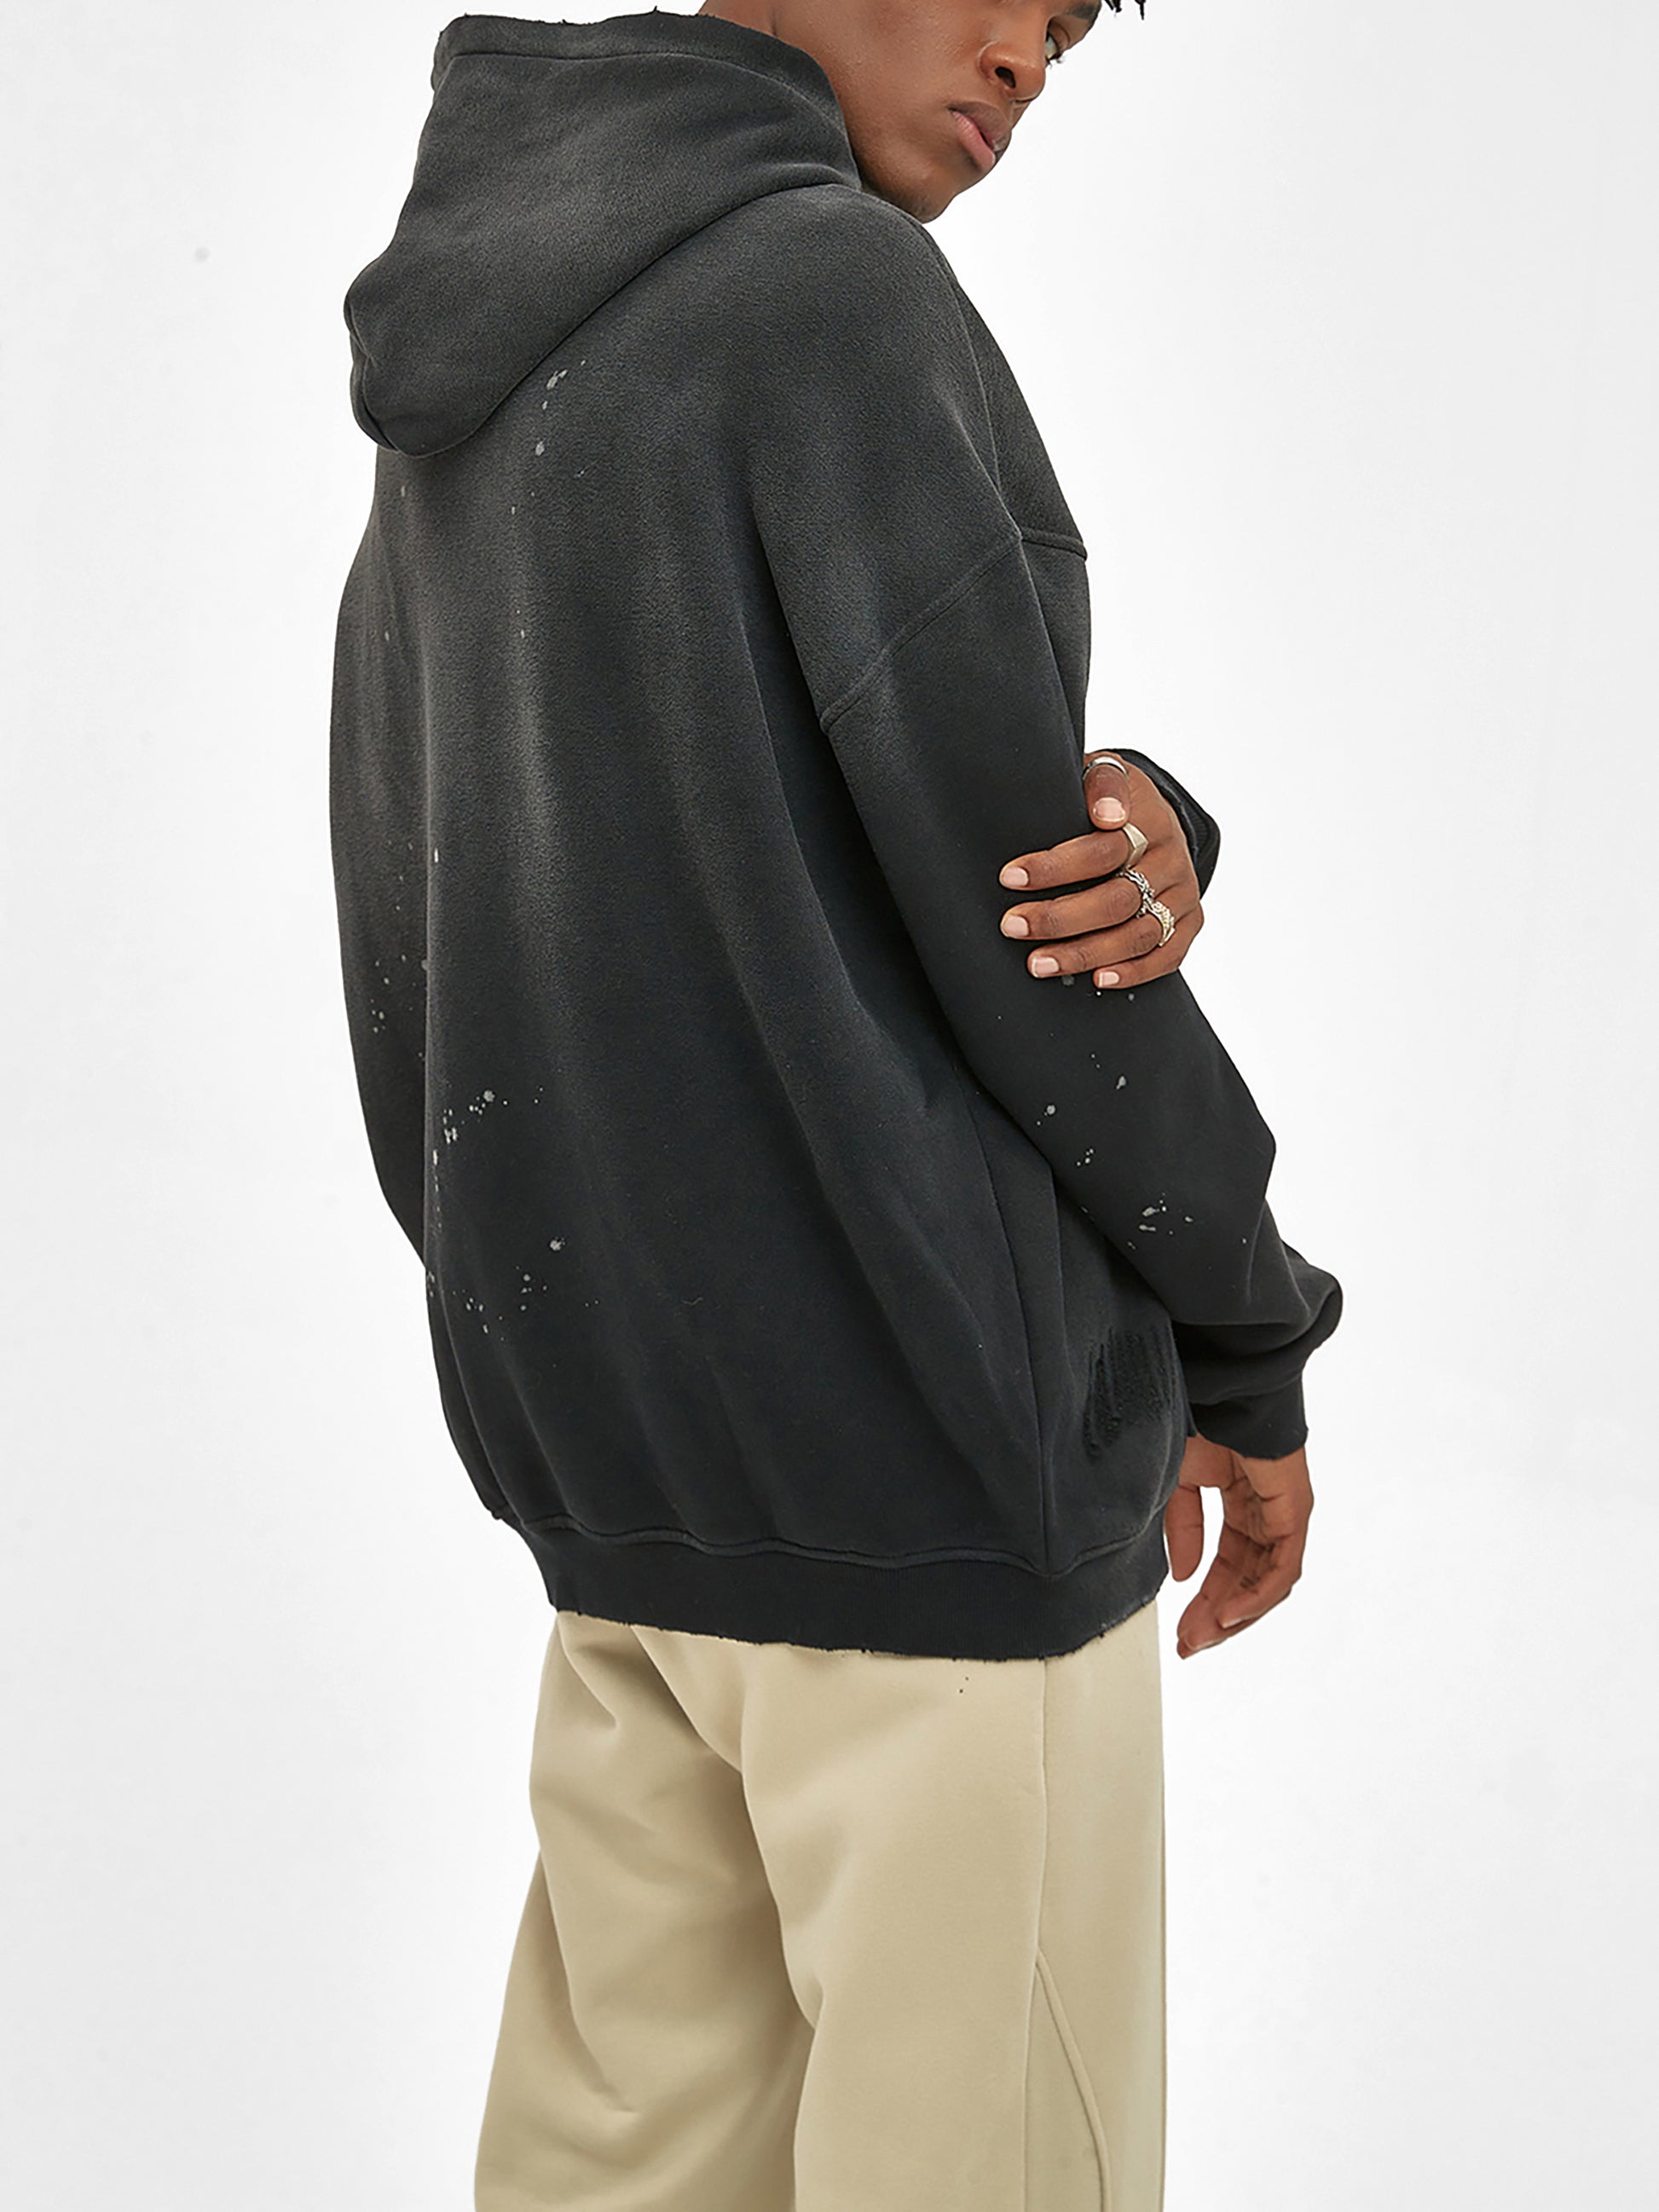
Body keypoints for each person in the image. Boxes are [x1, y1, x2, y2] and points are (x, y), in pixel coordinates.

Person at [328, 6, 1344, 2206]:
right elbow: (1028, 955)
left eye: (1064, 32)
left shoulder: (479, 338)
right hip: (932, 1493)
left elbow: (457, 918)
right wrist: (1245, 1340)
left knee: (614, 2167)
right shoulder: (833, 295)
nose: (1024, 60)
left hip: (623, 1488)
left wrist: (1137, 812)